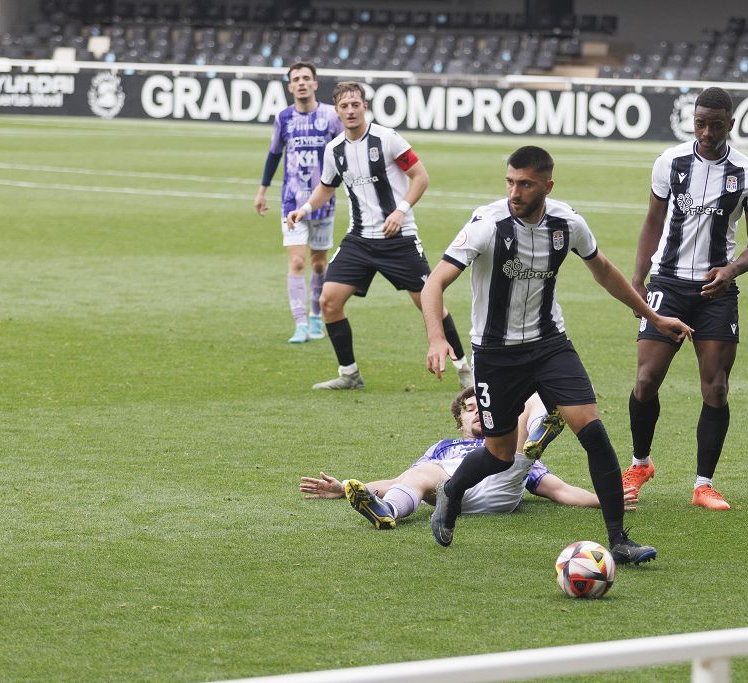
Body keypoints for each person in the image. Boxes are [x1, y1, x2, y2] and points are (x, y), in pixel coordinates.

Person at [421, 145, 693, 566]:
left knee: (595, 434)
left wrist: (653, 317)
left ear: (547, 185)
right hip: (495, 353)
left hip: (550, 346)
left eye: (525, 184)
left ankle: (618, 539)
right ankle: (452, 492)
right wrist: (437, 338)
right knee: (498, 454)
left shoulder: (567, 223)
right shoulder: (486, 225)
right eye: (510, 182)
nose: (515, 191)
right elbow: (433, 284)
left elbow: (602, 269)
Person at [625, 87, 748, 512]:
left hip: (716, 292)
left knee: (717, 388)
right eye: (700, 123)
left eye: (716, 125)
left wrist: (731, 270)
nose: (707, 132)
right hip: (667, 284)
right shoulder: (669, 163)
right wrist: (637, 280)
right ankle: (639, 464)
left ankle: (704, 484)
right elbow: (653, 221)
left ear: (731, 125)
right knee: (646, 379)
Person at [287, 81, 472, 390]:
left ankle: (465, 369)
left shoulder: (387, 139)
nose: (350, 110)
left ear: (365, 107)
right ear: (338, 111)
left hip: (398, 239)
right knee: (329, 301)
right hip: (359, 240)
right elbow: (327, 186)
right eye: (344, 106)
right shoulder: (334, 150)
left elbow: (420, 177)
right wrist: (304, 209)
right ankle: (349, 374)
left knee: (430, 303)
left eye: (355, 105)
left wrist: (400, 210)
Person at [298, 387, 638, 529]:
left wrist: (603, 500)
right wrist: (343, 487)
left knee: (528, 397)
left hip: (503, 476)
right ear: (459, 421)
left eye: (481, 407)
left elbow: (557, 489)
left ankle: (539, 430)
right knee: (422, 473)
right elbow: (399, 481)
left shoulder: (502, 435)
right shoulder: (443, 447)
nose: (476, 413)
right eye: (469, 410)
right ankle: (386, 512)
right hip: (453, 492)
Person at [254, 61, 344, 344]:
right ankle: (300, 324)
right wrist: (262, 190)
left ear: (315, 84)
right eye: (296, 79)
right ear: (290, 86)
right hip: (291, 202)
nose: (302, 83)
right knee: (296, 261)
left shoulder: (331, 117)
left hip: (324, 202)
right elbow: (274, 154)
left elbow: (345, 152)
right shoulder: (283, 118)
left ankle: (317, 315)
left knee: (318, 264)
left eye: (307, 78)